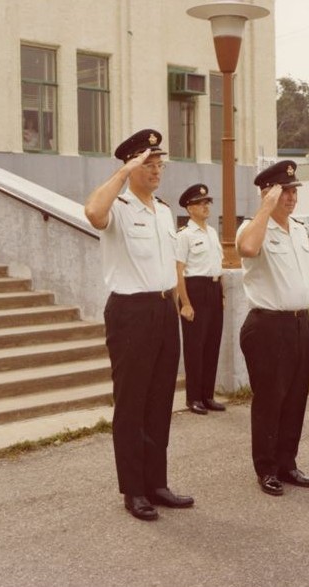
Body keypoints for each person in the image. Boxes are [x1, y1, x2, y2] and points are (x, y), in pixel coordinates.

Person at [84, 129, 193, 521]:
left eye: (159, 163)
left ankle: (156, 483)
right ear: (130, 166)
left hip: (164, 310)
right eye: (148, 164)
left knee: (160, 400)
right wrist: (122, 173)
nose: (156, 171)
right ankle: (134, 490)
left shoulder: (163, 210)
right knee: (132, 404)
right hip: (131, 313)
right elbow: (94, 213)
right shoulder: (119, 206)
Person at [236, 160, 309, 497]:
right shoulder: (252, 228)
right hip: (268, 325)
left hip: (300, 323)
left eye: (294, 190)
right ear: (267, 193)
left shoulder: (298, 229)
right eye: (284, 191)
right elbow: (247, 249)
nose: (291, 197)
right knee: (270, 399)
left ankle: (287, 462)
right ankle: (266, 468)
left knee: (296, 398)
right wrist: (266, 208)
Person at [175, 183, 226, 416]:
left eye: (207, 202)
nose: (206, 206)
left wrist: (222, 294)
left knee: (212, 345)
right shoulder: (184, 236)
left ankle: (207, 395)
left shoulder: (212, 232)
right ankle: (193, 397)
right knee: (195, 346)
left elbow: (218, 266)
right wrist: (185, 303)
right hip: (194, 291)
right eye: (200, 203)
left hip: (214, 290)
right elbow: (178, 271)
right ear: (189, 208)